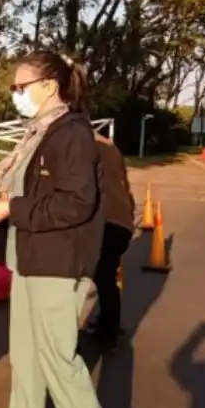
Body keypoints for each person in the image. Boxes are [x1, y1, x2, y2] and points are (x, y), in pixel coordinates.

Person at [0, 50, 123, 408]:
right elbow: (18, 199)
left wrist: (11, 211)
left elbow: (74, 203)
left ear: (49, 87)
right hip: (30, 259)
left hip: (57, 261)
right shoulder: (39, 133)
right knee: (27, 355)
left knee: (57, 355)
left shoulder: (69, 134)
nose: (16, 95)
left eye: (21, 87)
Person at [87, 131, 135, 351]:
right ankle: (108, 324)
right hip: (122, 221)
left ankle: (108, 333)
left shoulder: (81, 145)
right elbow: (124, 184)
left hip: (103, 221)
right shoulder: (112, 148)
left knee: (101, 277)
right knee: (106, 276)